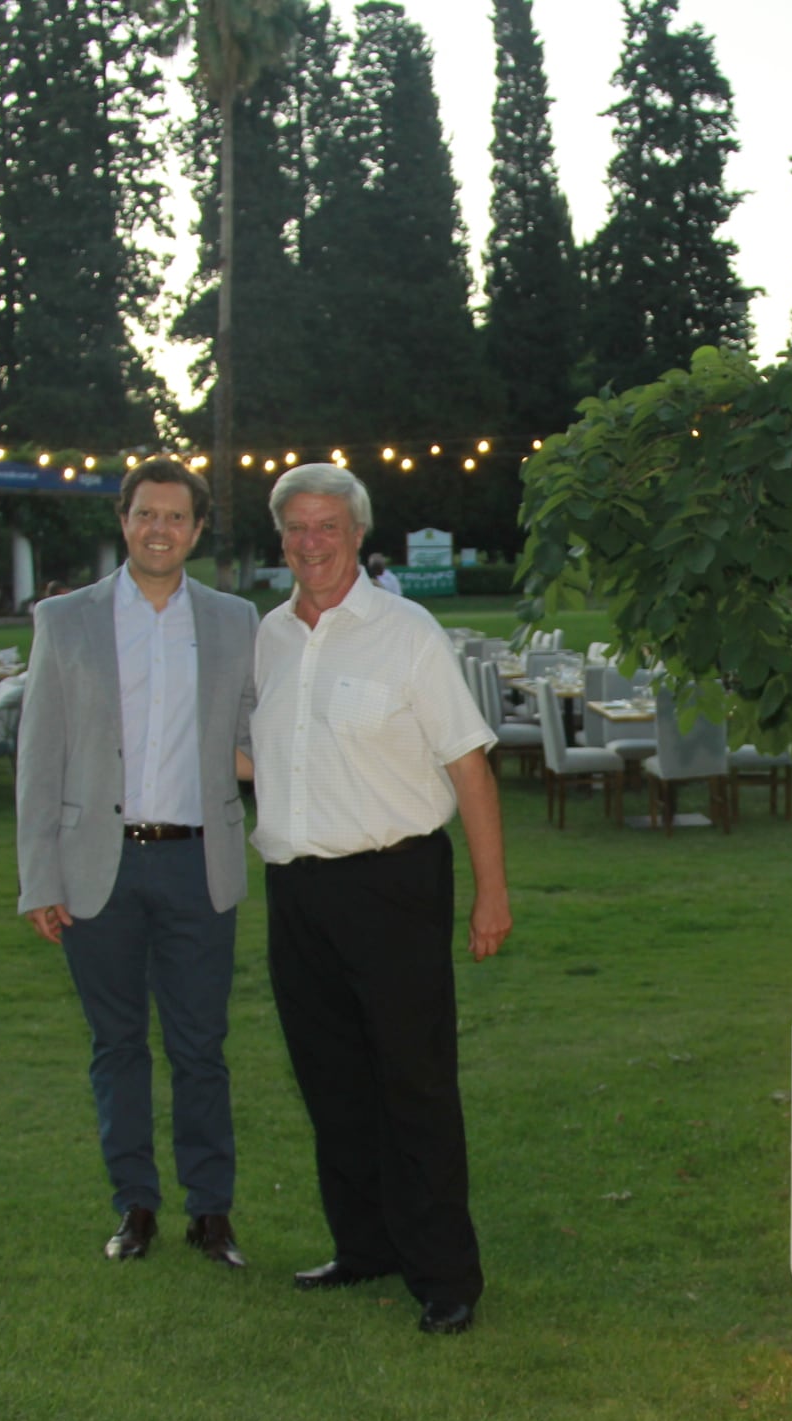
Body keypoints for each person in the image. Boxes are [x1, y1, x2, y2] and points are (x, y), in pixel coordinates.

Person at [247, 463, 509, 1337]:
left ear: (358, 536)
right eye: (296, 529)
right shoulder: (271, 636)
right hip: (296, 890)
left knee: (414, 1084)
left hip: (393, 885)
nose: (311, 543)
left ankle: (445, 1277)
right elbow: (271, 756)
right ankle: (365, 1247)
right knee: (330, 1082)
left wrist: (490, 894)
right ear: (280, 538)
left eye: (328, 527)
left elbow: (468, 764)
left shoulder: (407, 632)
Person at [16, 455, 259, 1268]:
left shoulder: (234, 621)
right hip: (97, 869)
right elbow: (38, 755)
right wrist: (38, 878)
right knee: (116, 1045)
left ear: (197, 528)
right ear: (123, 521)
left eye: (177, 517)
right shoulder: (66, 621)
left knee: (201, 1047)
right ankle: (135, 1207)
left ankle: (212, 1212)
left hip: (198, 864)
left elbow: (259, 739)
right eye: (145, 514)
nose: (161, 529)